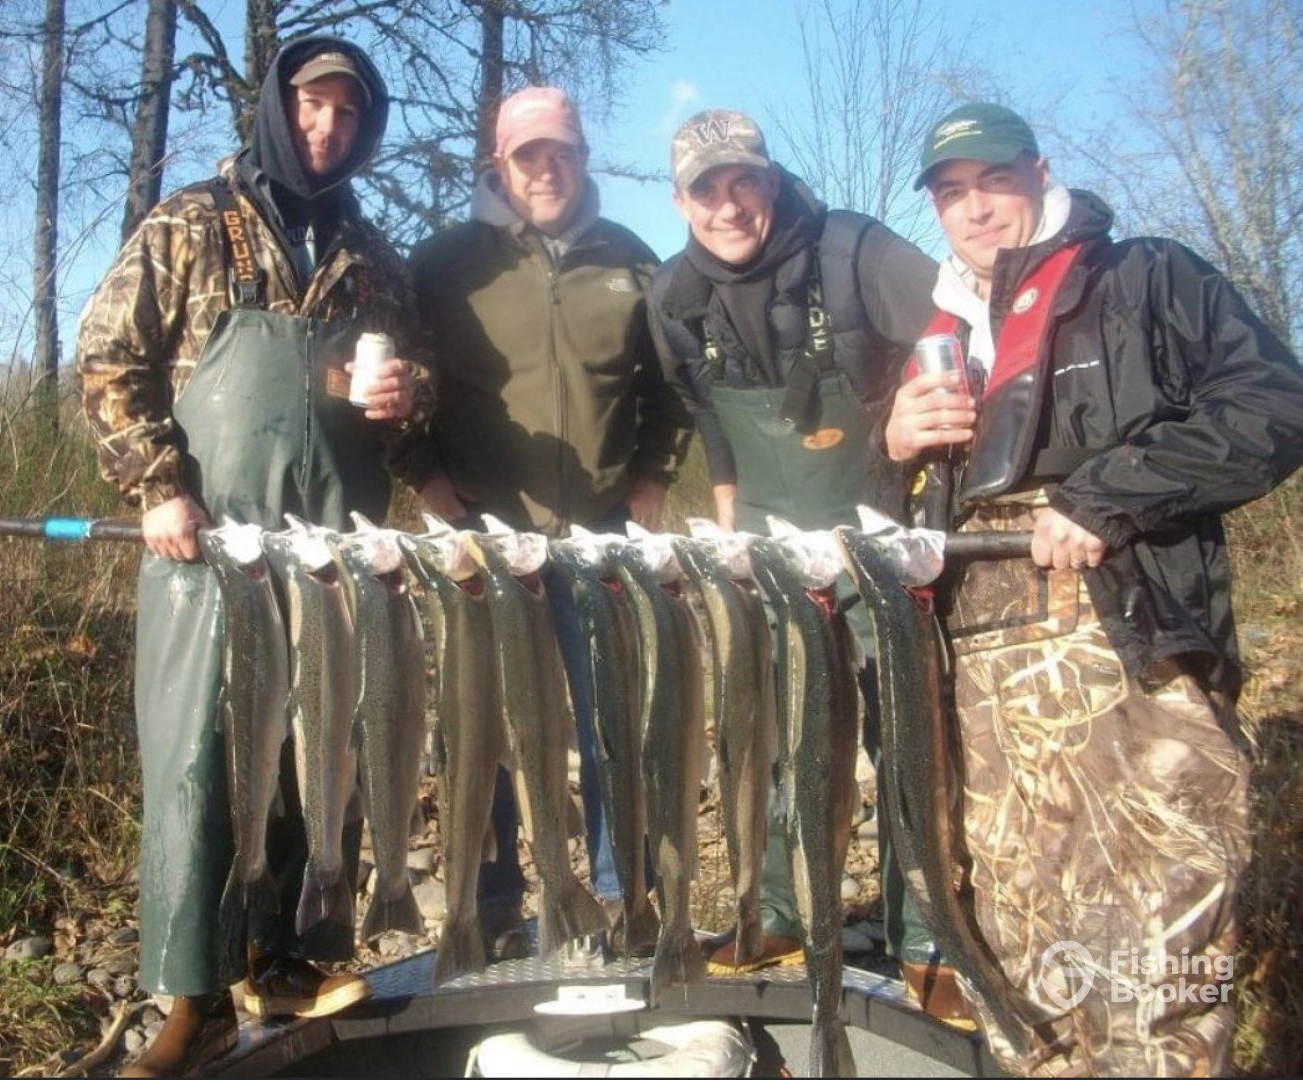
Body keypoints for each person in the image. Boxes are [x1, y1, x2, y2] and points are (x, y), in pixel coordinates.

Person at [881, 101, 1303, 1075]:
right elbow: (899, 531)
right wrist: (894, 446)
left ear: (1039, 174)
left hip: (1130, 651)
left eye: (994, 180)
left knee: (1162, 931)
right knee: (1020, 947)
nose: (975, 208)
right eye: (951, 192)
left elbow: (1274, 404)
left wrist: (1109, 496)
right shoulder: (940, 333)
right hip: (980, 688)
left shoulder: (1146, 278)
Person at [77, 37, 432, 1077]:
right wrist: (158, 485)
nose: (330, 125)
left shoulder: (371, 256)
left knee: (316, 757)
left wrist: (406, 396)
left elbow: (418, 403)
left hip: (325, 556)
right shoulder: (193, 221)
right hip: (207, 549)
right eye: (315, 104)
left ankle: (288, 960)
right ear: (281, 106)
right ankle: (194, 1002)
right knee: (199, 764)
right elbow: (107, 355)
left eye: (350, 112)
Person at [646, 108, 961, 1018]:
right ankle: (779, 913)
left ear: (772, 181)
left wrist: (909, 413)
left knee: (904, 740)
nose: (728, 205)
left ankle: (924, 937)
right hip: (773, 546)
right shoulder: (673, 297)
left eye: (744, 181)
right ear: (681, 202)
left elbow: (961, 325)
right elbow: (701, 410)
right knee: (777, 733)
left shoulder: (854, 252)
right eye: (706, 189)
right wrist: (726, 502)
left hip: (881, 535)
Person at [399, 86, 692, 955]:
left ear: (583, 157)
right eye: (529, 156)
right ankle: (490, 907)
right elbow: (394, 385)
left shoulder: (632, 261)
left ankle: (618, 899)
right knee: (482, 727)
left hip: (599, 535)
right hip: (483, 536)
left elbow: (672, 387)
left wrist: (653, 478)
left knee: (612, 722)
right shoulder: (445, 263)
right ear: (501, 165)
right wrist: (425, 479)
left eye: (561, 152)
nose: (547, 170)